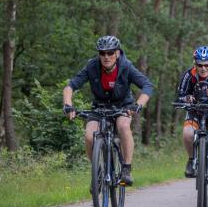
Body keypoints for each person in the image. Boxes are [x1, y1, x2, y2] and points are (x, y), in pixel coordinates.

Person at [63, 35, 153, 186]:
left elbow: (147, 86)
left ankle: (126, 169)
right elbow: (70, 86)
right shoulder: (92, 66)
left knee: (123, 126)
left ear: (117, 53)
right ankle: (97, 172)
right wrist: (68, 104)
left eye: (110, 52)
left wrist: (138, 104)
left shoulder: (126, 66)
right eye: (102, 53)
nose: (106, 57)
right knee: (89, 136)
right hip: (100, 106)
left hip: (123, 105)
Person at [177, 46, 208, 190]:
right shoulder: (189, 75)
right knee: (187, 134)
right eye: (200, 65)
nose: (203, 68)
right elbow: (180, 95)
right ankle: (192, 160)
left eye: (207, 65)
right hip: (195, 110)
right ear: (195, 63)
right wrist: (186, 98)